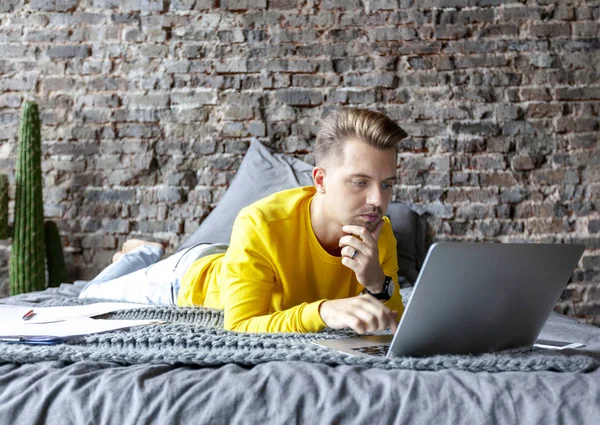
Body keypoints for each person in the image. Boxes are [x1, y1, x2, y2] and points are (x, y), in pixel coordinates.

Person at [80, 108, 408, 334]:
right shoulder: (261, 223)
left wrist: (377, 284)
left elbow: (393, 322)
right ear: (320, 180)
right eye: (360, 182)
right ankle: (143, 252)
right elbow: (241, 325)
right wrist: (321, 312)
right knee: (89, 294)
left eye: (387, 184)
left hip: (240, 259)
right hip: (187, 278)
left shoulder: (380, 232)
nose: (378, 201)